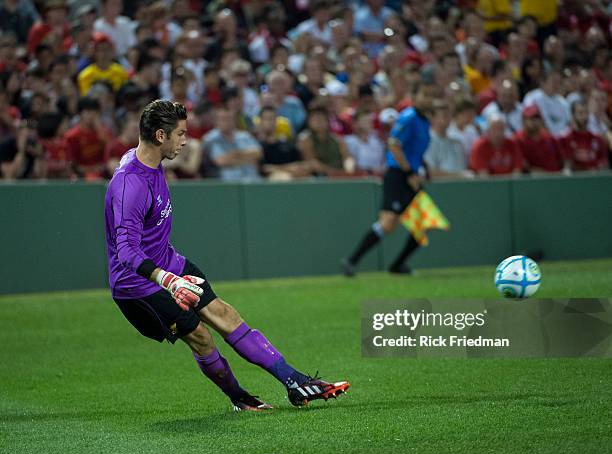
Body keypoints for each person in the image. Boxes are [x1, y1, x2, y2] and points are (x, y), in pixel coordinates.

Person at [104, 99, 349, 412]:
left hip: (169, 263)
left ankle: (295, 382)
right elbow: (126, 252)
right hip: (139, 285)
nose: (185, 140)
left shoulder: (149, 163)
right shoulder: (131, 184)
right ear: (160, 136)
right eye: (180, 134)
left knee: (225, 314)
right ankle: (240, 398)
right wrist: (169, 282)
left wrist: (173, 275)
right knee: (202, 337)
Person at [342, 84, 435, 276]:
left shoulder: (425, 120)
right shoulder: (408, 117)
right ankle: (352, 261)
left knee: (423, 224)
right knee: (388, 222)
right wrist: (409, 173)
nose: (428, 99)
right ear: (414, 96)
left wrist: (422, 167)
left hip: (412, 174)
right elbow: (394, 145)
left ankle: (397, 265)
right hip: (398, 174)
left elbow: (414, 149)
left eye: (430, 95)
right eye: (424, 94)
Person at [559, 100, 608, 172]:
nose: (584, 116)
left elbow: (604, 163)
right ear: (573, 115)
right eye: (580, 113)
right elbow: (566, 166)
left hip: (594, 179)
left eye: (586, 113)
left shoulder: (597, 139)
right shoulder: (564, 139)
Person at [513, 104, 562, 173]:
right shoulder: (518, 139)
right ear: (524, 121)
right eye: (530, 119)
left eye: (537, 118)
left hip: (554, 177)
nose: (534, 122)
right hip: (532, 180)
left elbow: (560, 159)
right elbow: (522, 165)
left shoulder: (549, 137)